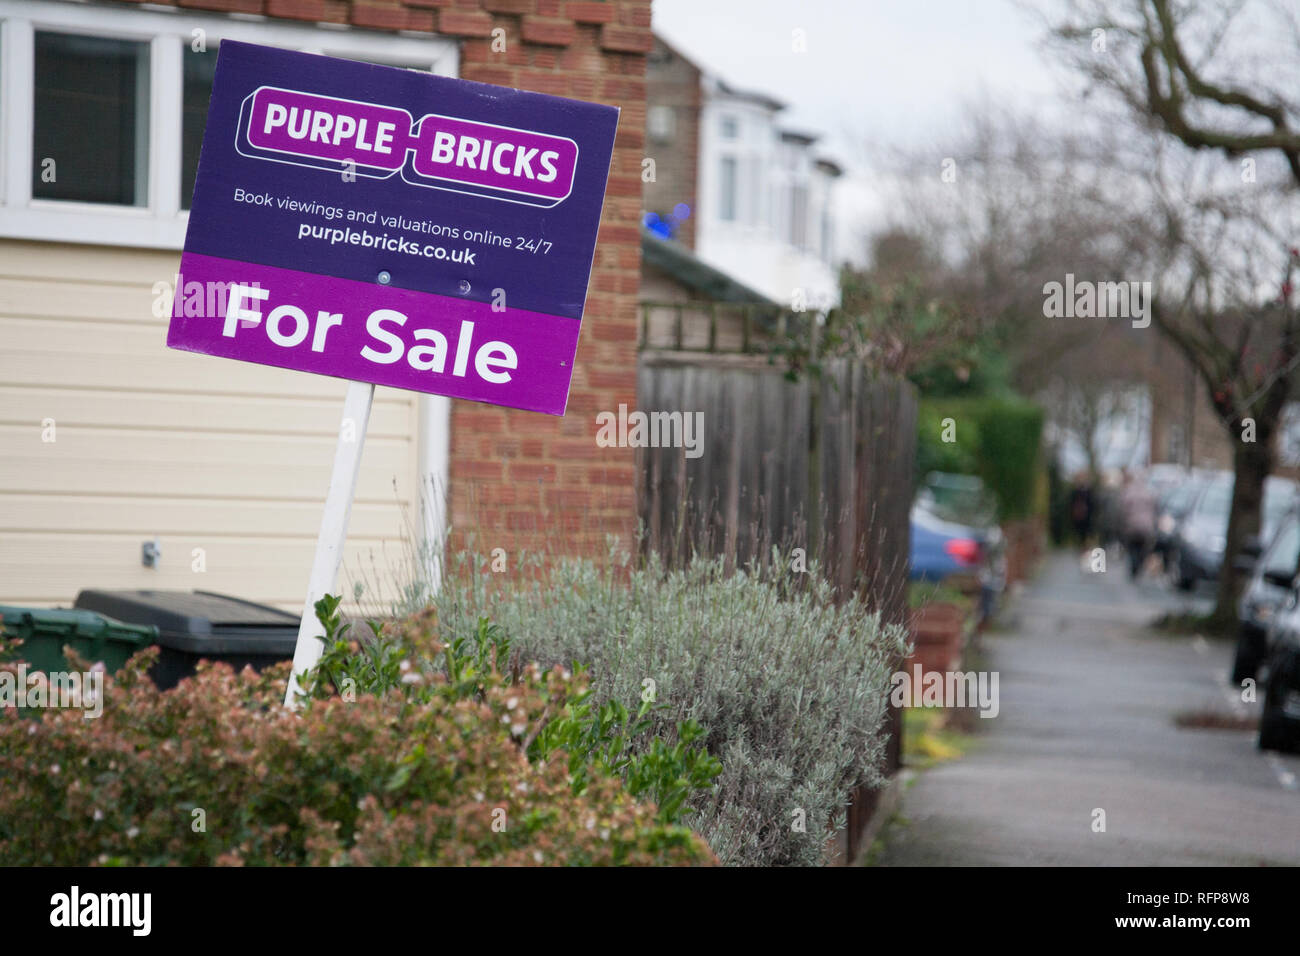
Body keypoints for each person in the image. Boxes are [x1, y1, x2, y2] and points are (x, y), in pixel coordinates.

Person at [1120, 469, 1158, 579]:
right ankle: (1139, 564)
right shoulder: (1149, 493)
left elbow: (1123, 509)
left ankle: (1134, 565)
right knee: (1142, 548)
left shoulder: (1128, 492)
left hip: (1131, 525)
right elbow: (1155, 509)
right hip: (1146, 526)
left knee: (1132, 548)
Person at [1069, 473, 1094, 545]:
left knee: (1086, 531)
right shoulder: (1075, 492)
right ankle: (1082, 545)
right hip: (1079, 515)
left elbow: (1092, 503)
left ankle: (1085, 545)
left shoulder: (1088, 491)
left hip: (1087, 515)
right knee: (1081, 532)